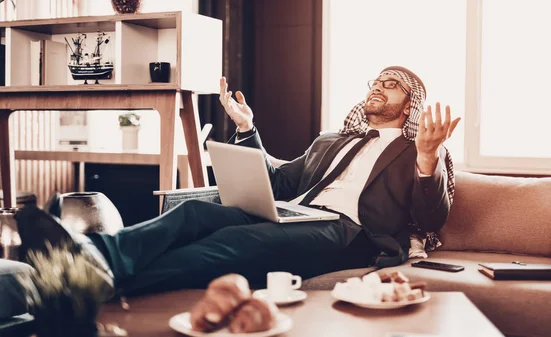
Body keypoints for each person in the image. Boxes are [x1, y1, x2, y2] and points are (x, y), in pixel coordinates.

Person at [15, 66, 460, 299]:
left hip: (347, 231)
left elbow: (430, 217)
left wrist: (427, 156)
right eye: (377, 80)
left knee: (232, 242)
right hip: (294, 212)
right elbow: (281, 182)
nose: (379, 87)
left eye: (393, 84)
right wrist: (247, 130)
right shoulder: (332, 140)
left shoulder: (419, 147)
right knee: (193, 213)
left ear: (411, 103)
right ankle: (96, 256)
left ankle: (94, 279)